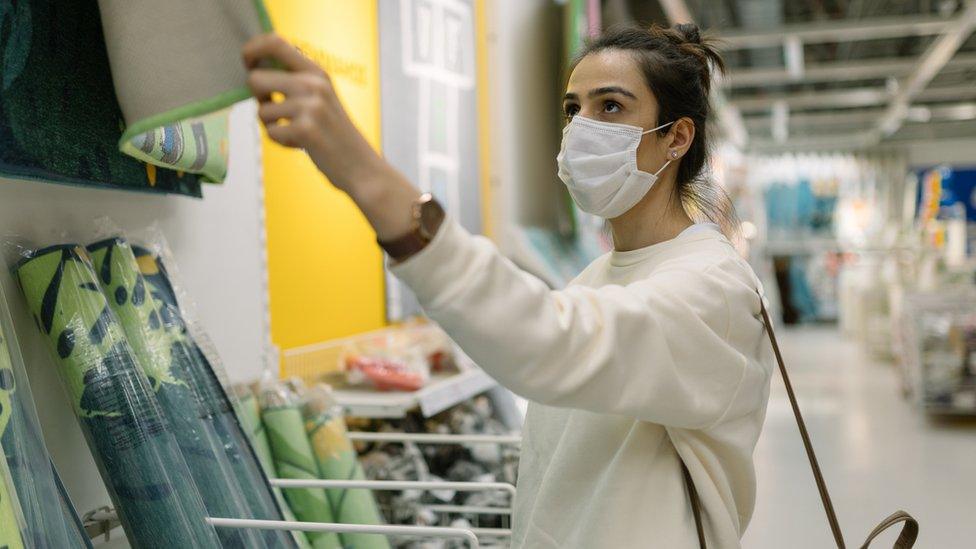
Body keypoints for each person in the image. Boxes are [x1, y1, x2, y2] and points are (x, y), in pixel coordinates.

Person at [243, 22, 773, 549]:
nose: (581, 127)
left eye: (610, 106)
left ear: (677, 137)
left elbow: (550, 341)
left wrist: (366, 175)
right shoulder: (601, 275)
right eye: (573, 109)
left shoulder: (714, 288)